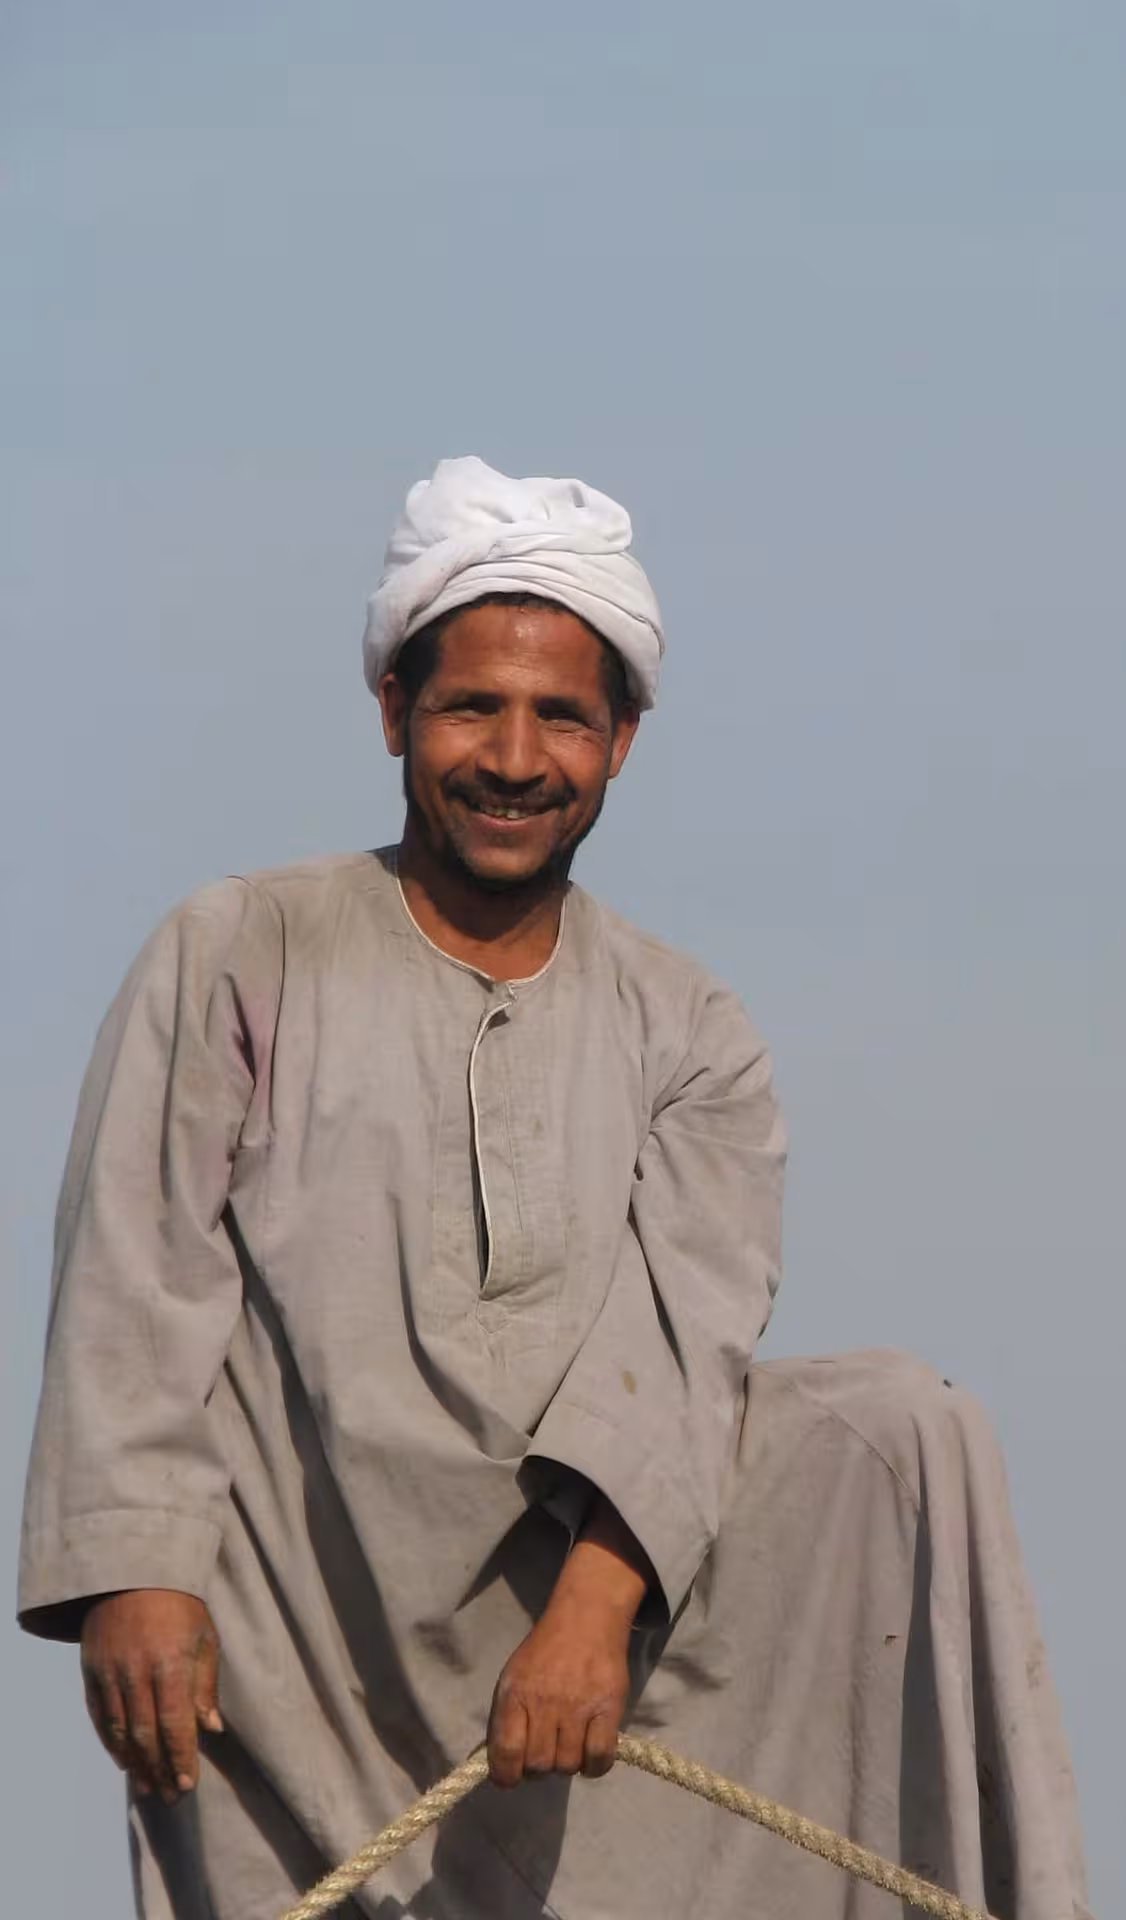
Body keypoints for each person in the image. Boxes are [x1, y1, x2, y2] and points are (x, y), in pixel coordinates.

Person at [18, 458, 1092, 1920]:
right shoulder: (238, 950)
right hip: (301, 1608)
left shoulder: (689, 1027)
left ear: (621, 741)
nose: (514, 757)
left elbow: (681, 1341)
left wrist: (592, 1615)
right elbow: (134, 1278)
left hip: (587, 1589)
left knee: (911, 1426)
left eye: (561, 717)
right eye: (471, 706)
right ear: (395, 712)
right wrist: (132, 1572)